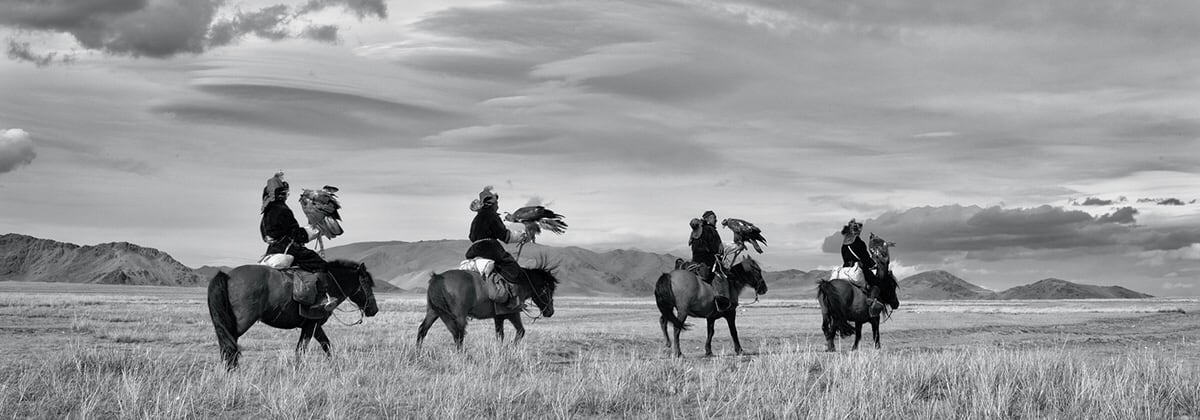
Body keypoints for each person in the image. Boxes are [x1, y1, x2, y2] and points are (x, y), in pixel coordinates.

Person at [260, 173, 338, 312]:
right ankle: (322, 299)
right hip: (288, 248)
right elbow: (296, 234)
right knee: (320, 263)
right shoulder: (283, 210)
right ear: (280, 195)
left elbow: (266, 236)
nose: (286, 196)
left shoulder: (266, 212)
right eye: (285, 193)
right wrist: (312, 230)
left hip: (272, 250)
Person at [465, 186, 527, 310]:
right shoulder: (492, 216)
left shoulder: (476, 218)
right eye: (497, 203)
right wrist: (521, 236)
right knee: (512, 267)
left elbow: (471, 236)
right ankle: (513, 300)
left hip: (474, 249)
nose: (498, 205)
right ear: (492, 203)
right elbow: (505, 236)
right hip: (490, 249)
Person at [689, 210, 729, 309]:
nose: (716, 220)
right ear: (707, 219)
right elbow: (717, 248)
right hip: (708, 261)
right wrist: (720, 256)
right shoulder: (710, 230)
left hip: (695, 261)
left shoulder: (695, 232)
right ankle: (720, 301)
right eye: (713, 217)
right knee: (721, 276)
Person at [839, 219, 880, 291]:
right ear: (857, 232)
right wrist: (873, 264)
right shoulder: (859, 243)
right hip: (857, 268)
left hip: (845, 269)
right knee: (876, 283)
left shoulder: (843, 245)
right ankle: (871, 301)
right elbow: (865, 258)